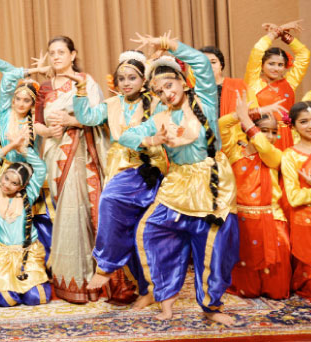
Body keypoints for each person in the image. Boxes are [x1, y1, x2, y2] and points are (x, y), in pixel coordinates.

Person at [121, 33, 239, 326]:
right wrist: (151, 138)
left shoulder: (206, 100)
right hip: (178, 183)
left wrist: (168, 45)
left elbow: (199, 60)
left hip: (211, 183)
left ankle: (211, 307)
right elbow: (125, 135)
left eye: (169, 85)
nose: (166, 93)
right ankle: (166, 300)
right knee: (151, 233)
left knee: (213, 246)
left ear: (183, 83)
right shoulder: (161, 113)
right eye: (159, 91)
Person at [72, 50, 168, 305]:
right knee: (126, 220)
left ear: (143, 80)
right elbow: (87, 117)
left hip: (148, 170)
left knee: (132, 222)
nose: (126, 83)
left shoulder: (156, 102)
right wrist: (81, 90)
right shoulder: (112, 104)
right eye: (122, 78)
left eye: (132, 78)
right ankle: (137, 284)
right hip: (120, 170)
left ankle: (114, 269)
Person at [33, 36, 107, 303]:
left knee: (78, 212)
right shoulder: (43, 87)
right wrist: (48, 129)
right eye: (51, 52)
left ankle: (88, 279)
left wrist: (69, 120)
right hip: (54, 154)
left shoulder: (85, 82)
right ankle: (66, 280)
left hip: (78, 152)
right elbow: (36, 124)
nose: (55, 57)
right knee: (63, 212)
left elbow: (98, 116)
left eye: (61, 52)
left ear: (73, 54)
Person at [220, 91, 290, 299]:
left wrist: (248, 122)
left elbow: (263, 147)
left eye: (273, 132)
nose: (269, 136)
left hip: (272, 217)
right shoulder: (234, 152)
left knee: (277, 289)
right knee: (246, 287)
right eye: (264, 130)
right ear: (247, 129)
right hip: (242, 218)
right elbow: (222, 124)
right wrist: (252, 112)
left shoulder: (276, 155)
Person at [0, 129, 51, 307]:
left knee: (37, 298)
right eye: (6, 179)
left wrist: (24, 150)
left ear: (21, 187)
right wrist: (11, 146)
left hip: (27, 254)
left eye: (14, 183)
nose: (7, 185)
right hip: (2, 256)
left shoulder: (28, 194)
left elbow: (41, 168)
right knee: (7, 300)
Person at [244, 20, 310, 150]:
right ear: (262, 65)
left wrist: (286, 37)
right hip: (263, 137)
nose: (276, 68)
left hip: (289, 137)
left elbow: (304, 55)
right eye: (271, 64)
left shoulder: (289, 82)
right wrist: (276, 32)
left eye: (280, 65)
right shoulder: (254, 82)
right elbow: (257, 51)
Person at [280, 101, 311, 303]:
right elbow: (294, 198)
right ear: (293, 126)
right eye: (304, 122)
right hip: (306, 221)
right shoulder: (290, 156)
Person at [199, 46, 253, 117]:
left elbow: (253, 112)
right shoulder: (195, 93)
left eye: (213, 62)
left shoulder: (238, 85)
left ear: (221, 65)